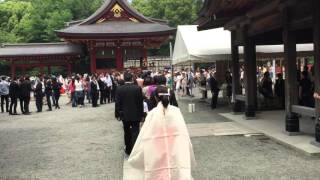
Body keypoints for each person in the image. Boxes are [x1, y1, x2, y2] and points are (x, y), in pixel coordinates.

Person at [128, 86, 196, 180]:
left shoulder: (152, 114)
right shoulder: (176, 112)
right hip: (174, 148)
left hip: (156, 149)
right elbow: (183, 134)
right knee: (175, 170)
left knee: (158, 171)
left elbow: (145, 137)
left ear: (155, 97)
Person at [115, 72, 144, 155]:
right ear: (132, 79)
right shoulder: (137, 88)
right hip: (136, 113)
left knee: (127, 132)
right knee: (135, 131)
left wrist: (117, 114)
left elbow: (117, 103)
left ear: (124, 79)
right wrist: (142, 114)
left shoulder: (119, 89)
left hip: (125, 114)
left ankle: (128, 149)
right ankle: (135, 149)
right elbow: (140, 103)